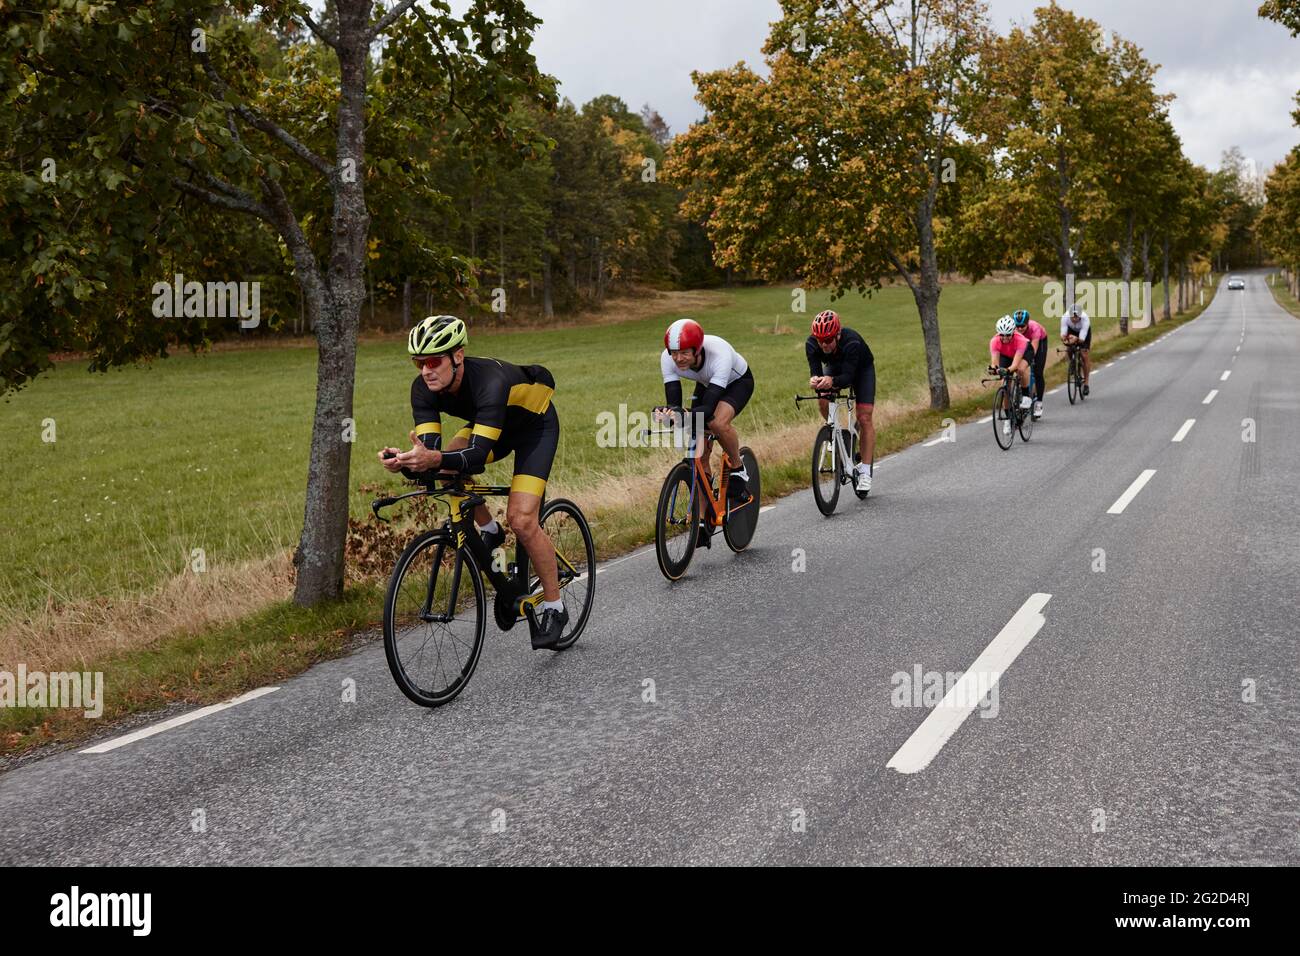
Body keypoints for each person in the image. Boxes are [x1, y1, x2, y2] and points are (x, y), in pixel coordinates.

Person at [378, 315, 568, 650]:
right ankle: (489, 530)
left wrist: (434, 461)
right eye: (419, 362)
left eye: (434, 361)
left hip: (534, 430)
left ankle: (555, 605)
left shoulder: (490, 381)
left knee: (522, 519)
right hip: (490, 426)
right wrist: (406, 463)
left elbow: (476, 457)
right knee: (445, 467)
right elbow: (432, 454)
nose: (426, 370)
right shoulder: (422, 390)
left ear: (458, 356)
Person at [654, 318, 754, 548]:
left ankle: (738, 468)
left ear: (697, 349)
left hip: (736, 382)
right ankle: (702, 520)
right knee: (697, 454)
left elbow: (708, 410)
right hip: (708, 383)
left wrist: (686, 414)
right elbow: (674, 401)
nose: (678, 359)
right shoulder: (668, 359)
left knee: (716, 423)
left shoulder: (718, 353)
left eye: (684, 354)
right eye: (674, 353)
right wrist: (671, 414)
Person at [805, 309, 876, 492]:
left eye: (828, 340)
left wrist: (833, 381)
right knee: (822, 398)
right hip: (836, 368)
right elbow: (816, 370)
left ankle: (866, 473)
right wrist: (815, 379)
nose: (824, 345)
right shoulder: (812, 344)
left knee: (864, 417)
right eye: (820, 340)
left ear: (837, 335)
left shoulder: (851, 341)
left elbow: (848, 376)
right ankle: (834, 434)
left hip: (860, 370)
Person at [988, 315, 1033, 435]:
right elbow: (995, 362)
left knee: (1020, 370)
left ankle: (1026, 396)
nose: (1005, 337)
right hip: (1006, 355)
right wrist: (993, 369)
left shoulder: (1021, 340)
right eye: (1002, 335)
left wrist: (1008, 370)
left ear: (1013, 332)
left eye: (1008, 334)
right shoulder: (994, 341)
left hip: (1024, 353)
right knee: (1005, 384)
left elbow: (1014, 365)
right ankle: (1008, 419)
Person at [1012, 309, 1048, 419]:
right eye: (1017, 326)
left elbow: (1034, 349)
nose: (1019, 329)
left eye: (1022, 326)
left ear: (1027, 323)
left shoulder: (1034, 328)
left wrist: (1028, 360)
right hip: (1023, 343)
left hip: (1039, 341)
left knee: (1038, 372)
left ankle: (1039, 403)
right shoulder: (1013, 330)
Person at [1060, 304, 1092, 396]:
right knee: (1069, 348)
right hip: (1071, 331)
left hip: (1083, 332)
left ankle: (1086, 384)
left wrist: (1077, 339)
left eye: (1076, 317)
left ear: (1080, 316)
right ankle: (1072, 365)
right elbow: (1063, 334)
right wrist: (1065, 339)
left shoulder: (1085, 319)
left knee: (1084, 354)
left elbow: (1082, 339)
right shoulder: (1065, 317)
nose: (1074, 319)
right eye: (1072, 317)